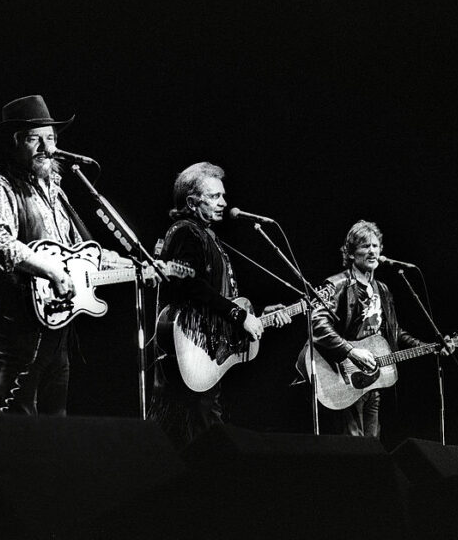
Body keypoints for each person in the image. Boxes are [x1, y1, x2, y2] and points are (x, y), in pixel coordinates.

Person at [0, 95, 139, 416]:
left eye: (51, 138)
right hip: (15, 330)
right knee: (16, 428)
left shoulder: (55, 192)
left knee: (54, 428)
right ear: (13, 144)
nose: (46, 147)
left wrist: (138, 266)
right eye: (34, 139)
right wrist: (51, 270)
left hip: (57, 330)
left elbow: (86, 254)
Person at [148, 162, 289, 449]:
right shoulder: (186, 231)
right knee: (195, 435)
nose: (224, 202)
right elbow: (192, 285)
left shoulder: (206, 234)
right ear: (191, 201)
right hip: (193, 348)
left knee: (204, 430)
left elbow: (216, 296)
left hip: (207, 350)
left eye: (223, 195)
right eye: (214, 196)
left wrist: (259, 316)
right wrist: (239, 315)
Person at [308, 220, 437, 437]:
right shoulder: (337, 284)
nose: (372, 251)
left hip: (373, 382)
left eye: (375, 246)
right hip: (343, 379)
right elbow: (317, 324)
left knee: (373, 448)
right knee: (353, 449)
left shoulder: (383, 290)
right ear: (350, 253)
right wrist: (351, 351)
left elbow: (394, 331)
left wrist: (429, 346)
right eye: (364, 246)